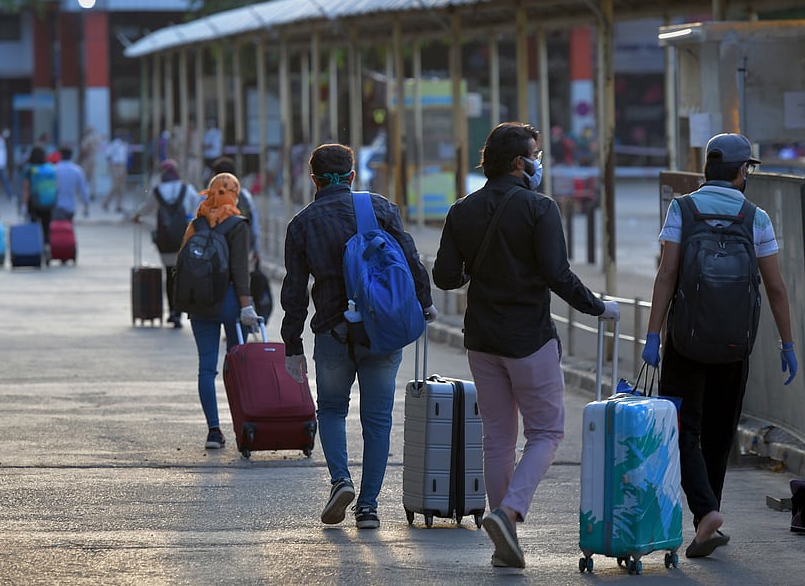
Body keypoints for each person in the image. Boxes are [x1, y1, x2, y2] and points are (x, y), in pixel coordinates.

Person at [431, 122, 619, 568]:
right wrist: (598, 307)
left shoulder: (462, 210)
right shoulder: (540, 208)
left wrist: (473, 271)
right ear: (520, 162)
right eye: (536, 153)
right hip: (528, 340)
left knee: (497, 438)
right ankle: (508, 511)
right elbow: (558, 274)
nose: (539, 161)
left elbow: (444, 276)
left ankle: (505, 543)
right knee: (548, 430)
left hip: (481, 339)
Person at [640, 132, 798, 559]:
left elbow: (667, 274)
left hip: (685, 343)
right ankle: (707, 519)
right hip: (734, 345)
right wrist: (787, 344)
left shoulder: (682, 208)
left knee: (682, 430)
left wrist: (653, 335)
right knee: (718, 434)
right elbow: (777, 288)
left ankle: (706, 515)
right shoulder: (755, 217)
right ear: (742, 170)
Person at [281, 143, 436, 530]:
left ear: (313, 179)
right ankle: (368, 508)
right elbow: (411, 260)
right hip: (383, 331)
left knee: (332, 410)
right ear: (352, 175)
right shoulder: (380, 208)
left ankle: (340, 481)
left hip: (333, 331)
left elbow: (295, 290)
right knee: (378, 421)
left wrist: (292, 343)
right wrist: (426, 303)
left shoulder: (302, 223)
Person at [183, 172, 260, 449]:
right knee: (238, 367)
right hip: (229, 304)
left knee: (206, 368)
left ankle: (214, 431)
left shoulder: (197, 222)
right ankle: (244, 424)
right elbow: (241, 270)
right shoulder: (237, 225)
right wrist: (246, 306)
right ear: (234, 194)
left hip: (200, 304)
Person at [133, 159, 202, 328]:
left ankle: (172, 311)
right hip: (184, 238)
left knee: (169, 274)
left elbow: (146, 208)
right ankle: (182, 311)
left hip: (165, 240)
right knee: (182, 275)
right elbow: (197, 207)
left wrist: (137, 216)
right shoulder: (187, 189)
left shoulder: (157, 191)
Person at [211, 156, 260, 265]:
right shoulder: (244, 196)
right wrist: (256, 249)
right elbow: (254, 225)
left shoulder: (207, 197)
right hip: (240, 249)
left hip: (215, 251)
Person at [21, 146, 56, 246]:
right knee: (46, 227)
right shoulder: (50, 167)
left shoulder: (29, 169)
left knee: (34, 226)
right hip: (49, 202)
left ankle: (36, 248)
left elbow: (26, 189)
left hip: (34, 203)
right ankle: (47, 246)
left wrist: (23, 206)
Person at [53, 145, 90, 220]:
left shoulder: (55, 169)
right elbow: (83, 190)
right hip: (71, 207)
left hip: (58, 206)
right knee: (68, 228)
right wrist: (86, 206)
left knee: (59, 230)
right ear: (71, 156)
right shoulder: (77, 170)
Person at [103, 130, 129, 213]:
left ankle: (119, 205)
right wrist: (112, 166)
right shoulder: (115, 144)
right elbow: (108, 155)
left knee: (121, 186)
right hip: (116, 165)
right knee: (115, 185)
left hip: (122, 165)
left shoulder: (124, 144)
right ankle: (106, 202)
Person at [78, 126, 100, 201]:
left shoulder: (87, 138)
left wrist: (79, 159)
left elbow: (84, 149)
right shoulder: (96, 138)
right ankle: (93, 194)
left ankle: (84, 194)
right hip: (94, 158)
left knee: (84, 177)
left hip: (87, 158)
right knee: (93, 177)